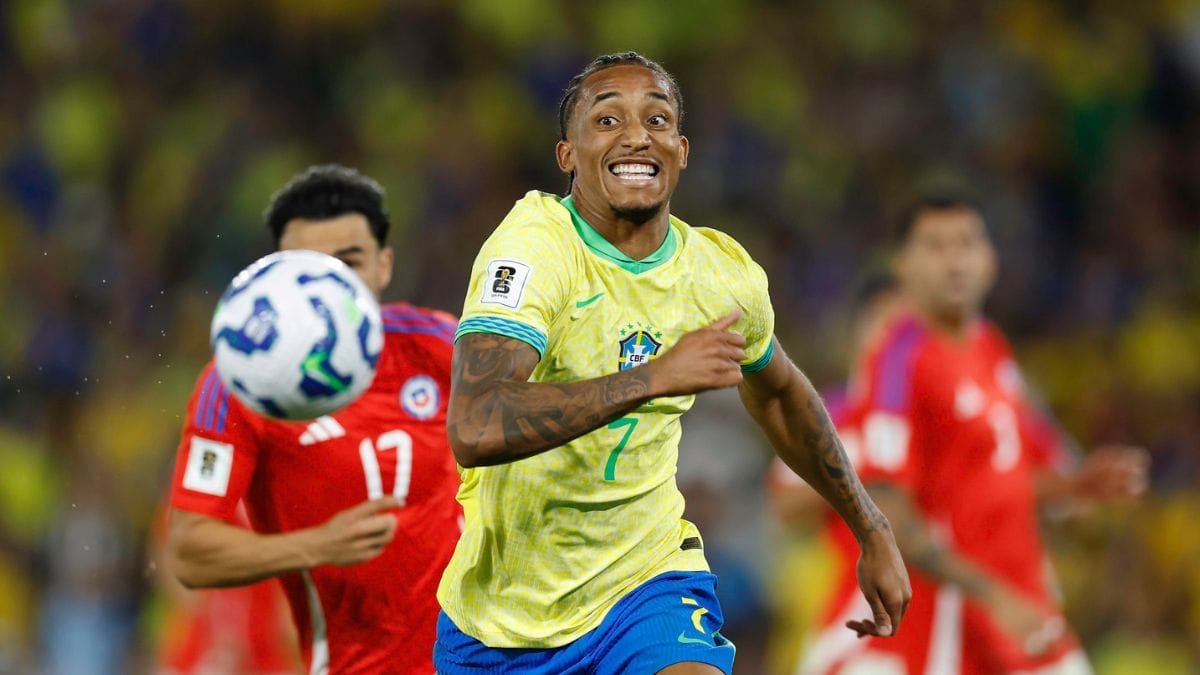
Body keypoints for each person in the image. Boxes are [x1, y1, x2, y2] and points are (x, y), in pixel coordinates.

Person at [433, 51, 910, 675]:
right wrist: (653, 378)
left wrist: (871, 528)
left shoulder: (720, 275)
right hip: (502, 617)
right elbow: (475, 423)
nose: (636, 135)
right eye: (608, 120)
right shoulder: (534, 251)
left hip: (646, 585)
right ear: (567, 155)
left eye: (656, 119)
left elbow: (779, 394)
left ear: (681, 151)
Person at [829, 187, 1148, 674]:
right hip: (959, 624)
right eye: (935, 247)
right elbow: (887, 512)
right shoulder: (896, 360)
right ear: (904, 266)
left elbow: (998, 479)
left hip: (1026, 605)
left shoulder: (990, 346)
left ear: (991, 261)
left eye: (966, 243)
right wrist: (994, 597)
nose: (955, 261)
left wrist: (1075, 484)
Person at [166, 165, 462, 674]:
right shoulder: (237, 383)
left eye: (349, 264)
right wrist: (317, 546)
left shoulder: (437, 344)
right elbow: (189, 551)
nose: (330, 290)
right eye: (308, 270)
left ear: (384, 266)